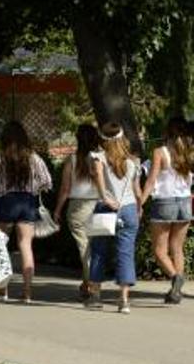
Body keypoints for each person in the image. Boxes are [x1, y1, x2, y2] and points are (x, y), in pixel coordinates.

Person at [0, 121, 52, 303]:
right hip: (28, 203)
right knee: (26, 247)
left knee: (0, 246)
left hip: (6, 202)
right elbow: (47, 181)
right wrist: (34, 188)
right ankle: (27, 292)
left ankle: (2, 289)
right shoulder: (33, 157)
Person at [86, 122, 142, 313]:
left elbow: (99, 177)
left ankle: (95, 295)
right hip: (129, 208)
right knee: (125, 253)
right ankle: (124, 300)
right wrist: (139, 207)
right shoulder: (133, 161)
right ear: (122, 137)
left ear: (103, 138)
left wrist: (105, 197)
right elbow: (137, 190)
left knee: (99, 250)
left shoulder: (98, 157)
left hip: (106, 207)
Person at [139, 117, 193, 304]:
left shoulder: (160, 152)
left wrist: (141, 202)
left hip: (164, 202)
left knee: (159, 250)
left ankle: (175, 278)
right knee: (177, 249)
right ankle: (176, 291)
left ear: (166, 132)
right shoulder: (189, 151)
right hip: (185, 201)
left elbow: (151, 181)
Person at [53, 124, 104, 301]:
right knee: (95, 247)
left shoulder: (72, 160)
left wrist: (57, 210)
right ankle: (87, 284)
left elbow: (65, 189)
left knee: (84, 248)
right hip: (98, 205)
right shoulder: (101, 158)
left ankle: (92, 285)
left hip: (78, 207)